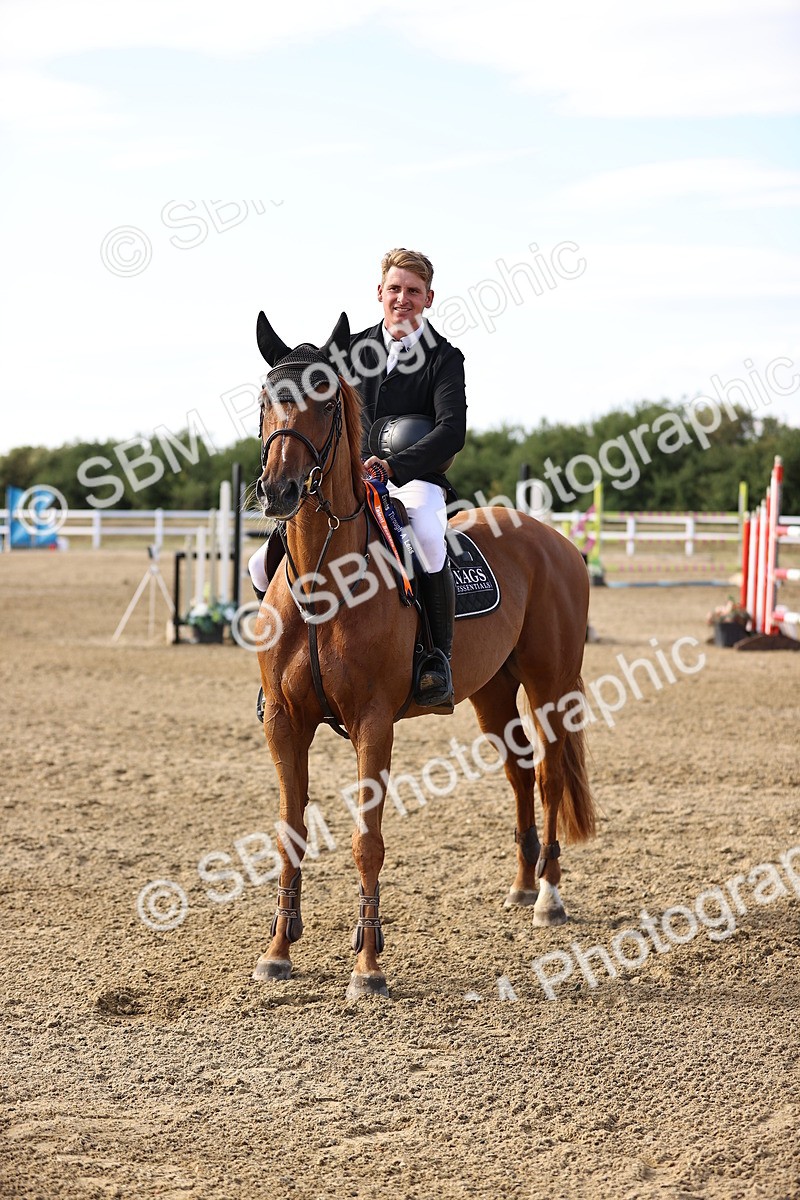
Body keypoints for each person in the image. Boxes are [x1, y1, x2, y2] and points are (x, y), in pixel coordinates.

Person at [250, 247, 467, 708]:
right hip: (348, 478)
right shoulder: (350, 350)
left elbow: (452, 431)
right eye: (394, 289)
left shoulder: (445, 358)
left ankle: (435, 660)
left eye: (412, 291)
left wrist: (394, 466)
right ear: (380, 293)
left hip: (413, 479)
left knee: (428, 535)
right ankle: (276, 666)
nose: (402, 298)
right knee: (257, 564)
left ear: (428, 298)